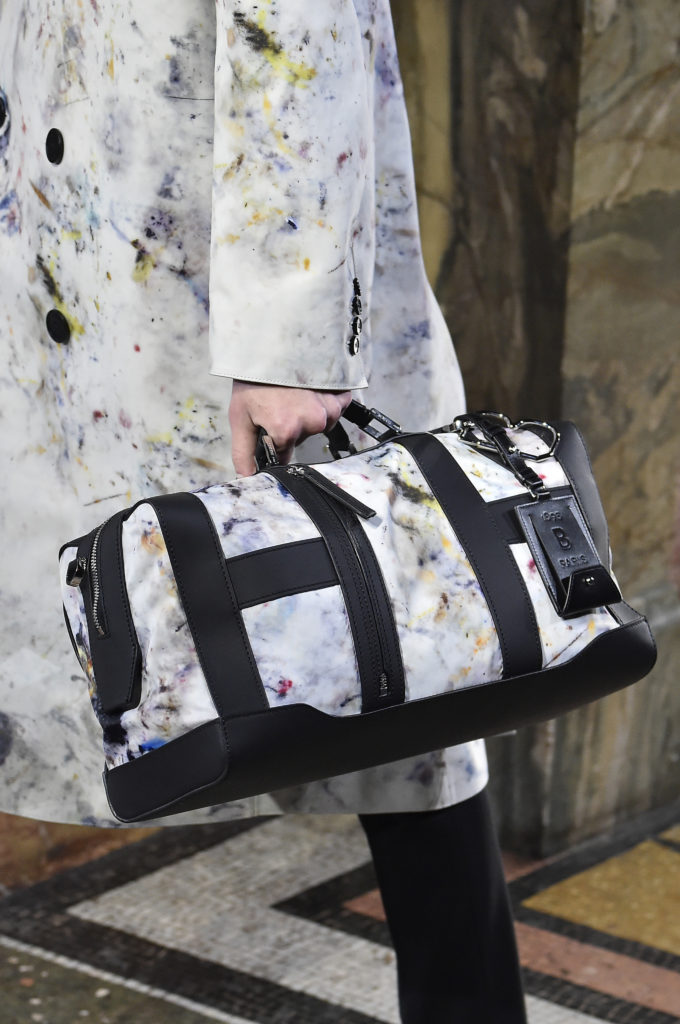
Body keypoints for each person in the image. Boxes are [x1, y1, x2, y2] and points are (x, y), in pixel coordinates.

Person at [0, 1, 526, 1019]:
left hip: (207, 289)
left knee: (401, 697)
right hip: (72, 260)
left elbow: (301, 27)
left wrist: (291, 344)